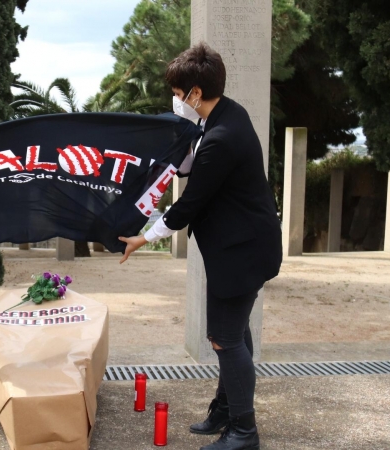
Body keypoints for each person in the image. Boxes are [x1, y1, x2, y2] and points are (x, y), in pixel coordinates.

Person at [119, 43, 282, 450]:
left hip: (241, 253)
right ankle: (226, 411)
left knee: (223, 339)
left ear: (194, 93)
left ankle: (244, 431)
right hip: (244, 245)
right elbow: (192, 162)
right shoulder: (226, 115)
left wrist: (145, 236)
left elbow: (190, 202)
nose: (175, 101)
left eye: (177, 94)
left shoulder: (222, 137)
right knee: (235, 333)